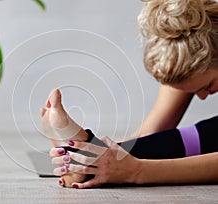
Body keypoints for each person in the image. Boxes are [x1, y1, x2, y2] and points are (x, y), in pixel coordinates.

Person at [40, 0, 218, 188]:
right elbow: (155, 129)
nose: (203, 96)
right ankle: (87, 164)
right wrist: (103, 154)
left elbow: (137, 169)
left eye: (208, 85)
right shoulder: (190, 44)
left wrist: (138, 172)